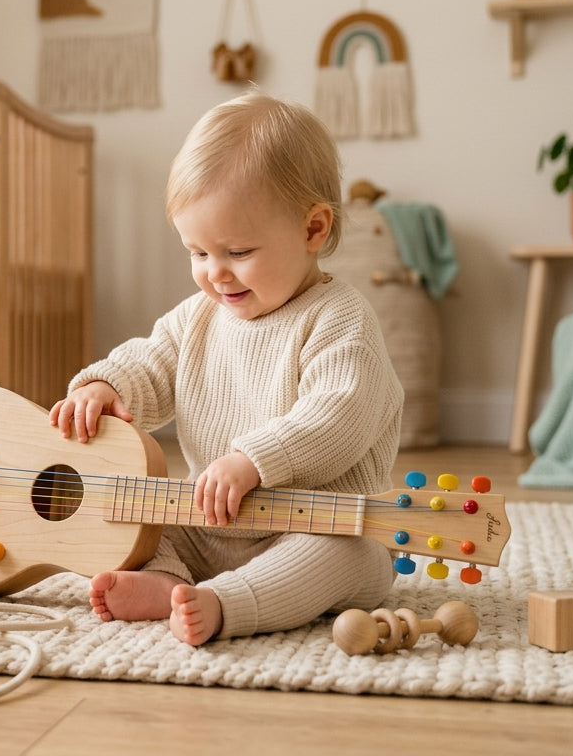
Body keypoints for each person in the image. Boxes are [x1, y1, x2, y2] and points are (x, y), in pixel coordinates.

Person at [49, 91, 403, 646]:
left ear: (313, 230)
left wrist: (254, 460)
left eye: (237, 252)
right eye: (197, 252)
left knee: (353, 557)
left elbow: (340, 418)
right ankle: (167, 578)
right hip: (210, 521)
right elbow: (152, 359)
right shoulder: (201, 317)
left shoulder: (341, 320)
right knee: (130, 507)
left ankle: (229, 601)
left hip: (318, 523)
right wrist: (105, 385)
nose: (216, 274)